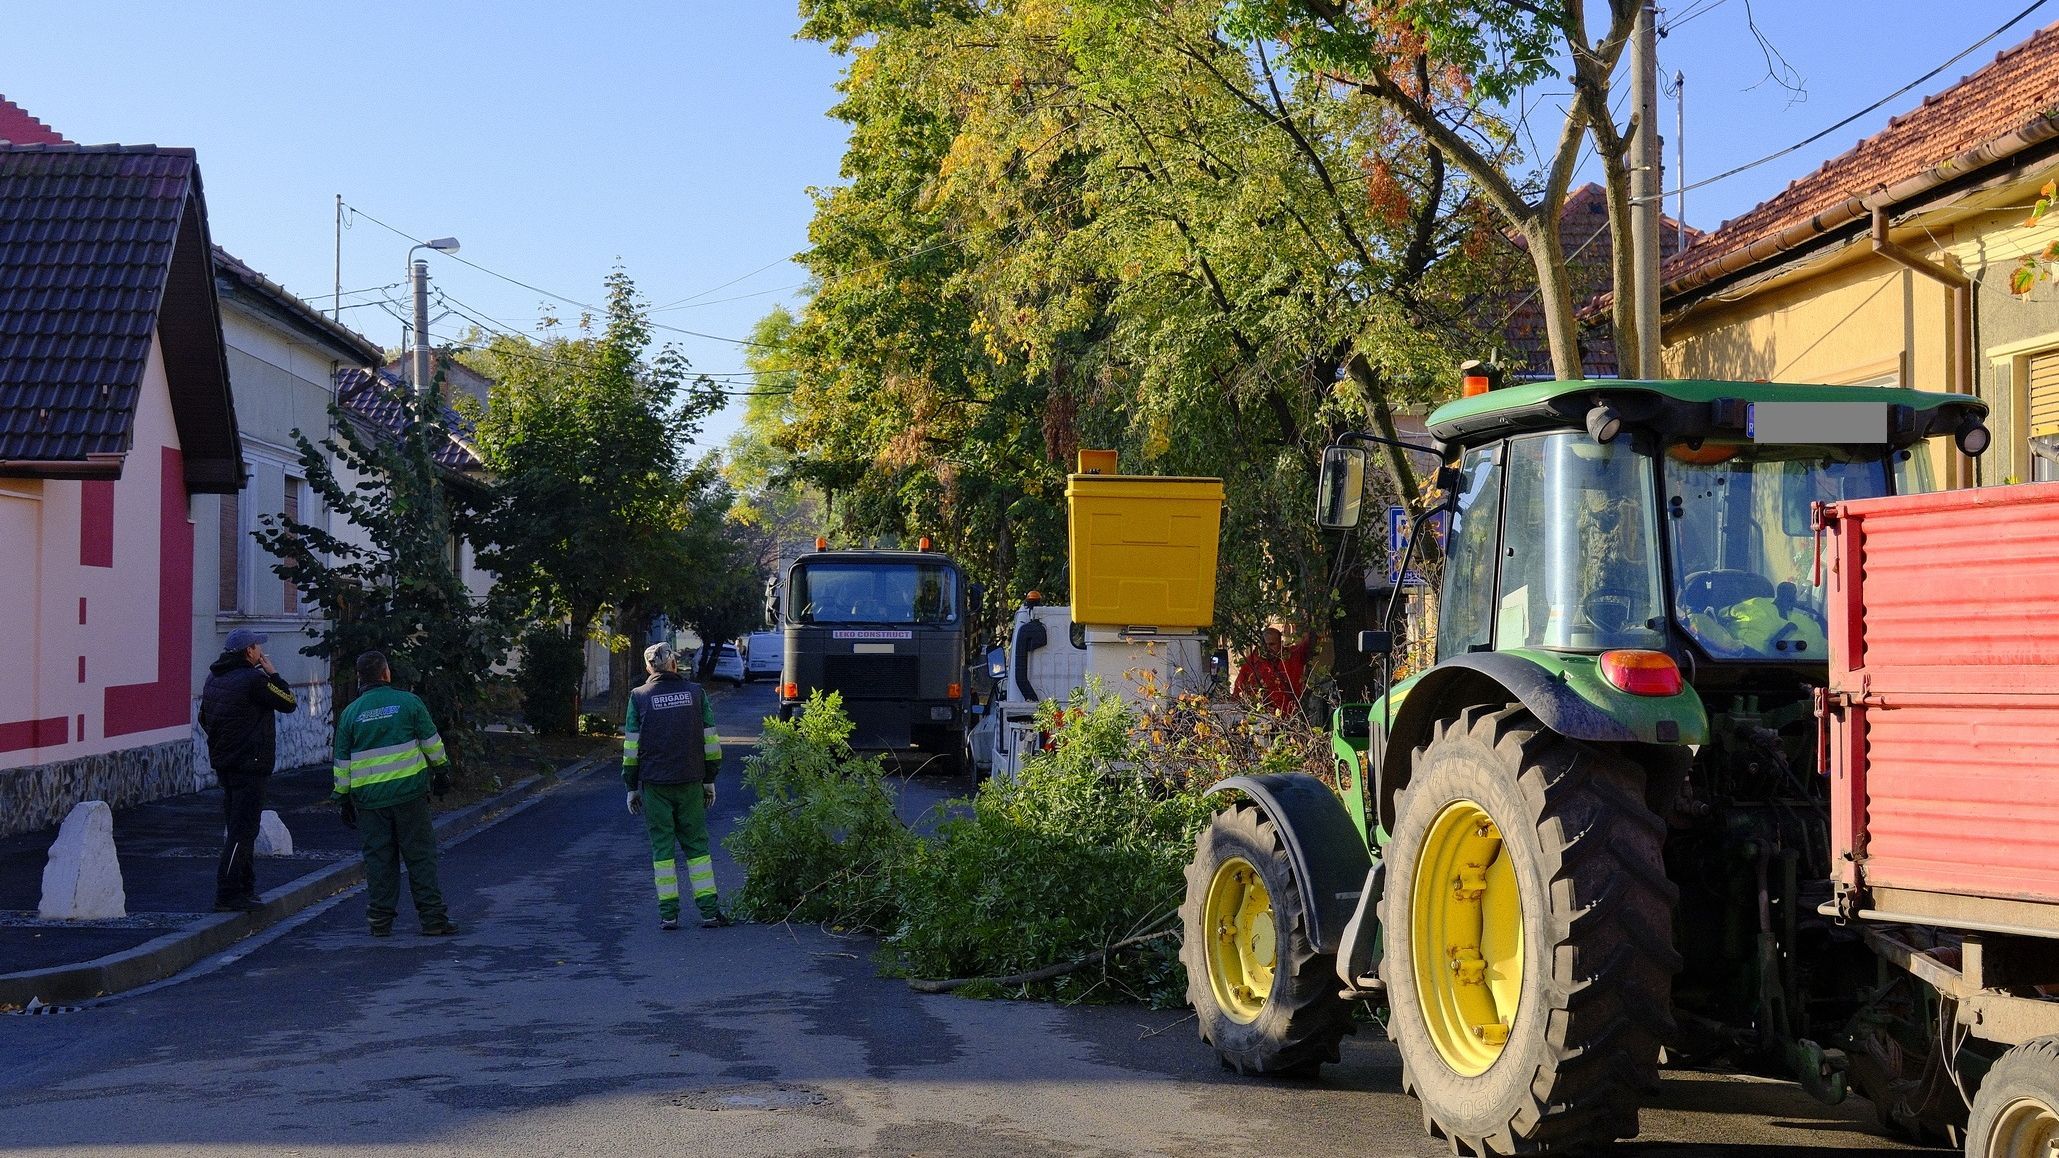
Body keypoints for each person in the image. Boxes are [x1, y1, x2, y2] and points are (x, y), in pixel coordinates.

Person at [332, 650, 456, 938]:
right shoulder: (409, 703)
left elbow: (342, 763)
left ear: (360, 678)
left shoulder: (350, 714)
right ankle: (433, 920)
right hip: (409, 796)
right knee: (420, 857)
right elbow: (431, 743)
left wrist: (343, 800)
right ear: (386, 673)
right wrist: (442, 773)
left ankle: (380, 921)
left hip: (369, 802)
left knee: (378, 861)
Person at [624, 642, 727, 930]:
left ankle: (668, 914)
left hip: (655, 783)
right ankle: (709, 912)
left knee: (662, 850)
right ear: (673, 664)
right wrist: (709, 779)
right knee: (697, 847)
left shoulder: (639, 697)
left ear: (649, 668)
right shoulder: (695, 693)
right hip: (691, 780)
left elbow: (631, 749)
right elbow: (711, 742)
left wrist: (631, 786)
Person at [197, 628, 298, 912]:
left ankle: (245, 887)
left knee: (238, 827)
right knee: (243, 830)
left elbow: (204, 718)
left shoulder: (214, 677)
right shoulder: (255, 680)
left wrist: (225, 742)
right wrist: (273, 674)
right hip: (250, 764)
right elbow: (288, 702)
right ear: (249, 651)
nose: (261, 651)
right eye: (257, 647)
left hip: (226, 763)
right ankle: (228, 892)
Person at [1233, 624, 1314, 716]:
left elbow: (1310, 643)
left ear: (1280, 643)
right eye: (1265, 645)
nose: (1268, 648)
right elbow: (1237, 691)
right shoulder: (1251, 663)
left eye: (1272, 644)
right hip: (1259, 717)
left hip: (1290, 716)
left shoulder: (1293, 656)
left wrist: (1311, 622)